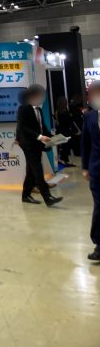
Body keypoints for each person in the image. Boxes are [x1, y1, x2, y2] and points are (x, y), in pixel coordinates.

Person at [15, 84, 63, 207]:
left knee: (31, 171)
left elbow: (42, 128)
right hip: (28, 144)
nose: (42, 98)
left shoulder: (39, 110)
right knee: (37, 170)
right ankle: (47, 197)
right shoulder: (24, 108)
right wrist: (40, 137)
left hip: (36, 144)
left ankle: (26, 195)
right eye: (40, 95)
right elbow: (23, 127)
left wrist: (54, 137)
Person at [81, 82, 100, 262]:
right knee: (99, 207)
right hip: (96, 169)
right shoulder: (89, 117)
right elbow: (85, 143)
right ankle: (99, 245)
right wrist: (85, 167)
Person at [54, 97, 77, 167]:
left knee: (66, 146)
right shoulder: (63, 112)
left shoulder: (59, 111)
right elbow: (68, 121)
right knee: (67, 145)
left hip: (62, 130)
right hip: (64, 131)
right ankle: (63, 159)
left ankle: (64, 159)